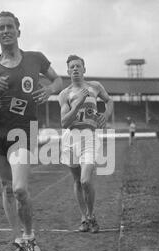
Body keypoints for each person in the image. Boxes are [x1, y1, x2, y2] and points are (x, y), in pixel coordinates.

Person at [0, 11, 63, 251]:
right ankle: (18, 241)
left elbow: (58, 80)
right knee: (6, 188)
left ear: (18, 30)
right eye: (0, 28)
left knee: (20, 189)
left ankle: (29, 236)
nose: (5, 31)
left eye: (9, 26)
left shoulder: (36, 59)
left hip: (25, 131)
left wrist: (48, 90)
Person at [58, 55, 114, 233]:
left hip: (89, 137)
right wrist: (77, 104)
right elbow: (64, 123)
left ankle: (91, 215)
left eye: (78, 66)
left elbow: (109, 101)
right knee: (77, 180)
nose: (75, 69)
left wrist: (106, 115)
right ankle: (84, 218)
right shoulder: (64, 94)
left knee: (86, 180)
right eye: (72, 67)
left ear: (84, 69)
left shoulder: (95, 87)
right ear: (68, 71)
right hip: (71, 139)